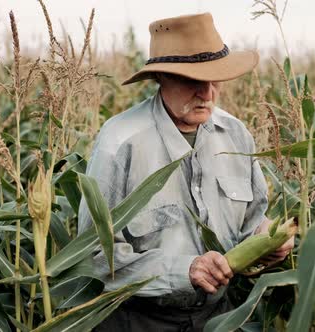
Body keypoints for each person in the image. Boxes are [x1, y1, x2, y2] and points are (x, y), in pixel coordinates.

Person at [78, 12, 294, 331]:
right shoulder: (120, 142)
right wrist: (185, 270)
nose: (207, 94)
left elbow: (252, 219)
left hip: (221, 317)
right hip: (137, 319)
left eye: (214, 79)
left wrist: (267, 242)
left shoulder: (236, 135)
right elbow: (92, 254)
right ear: (162, 77)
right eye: (193, 80)